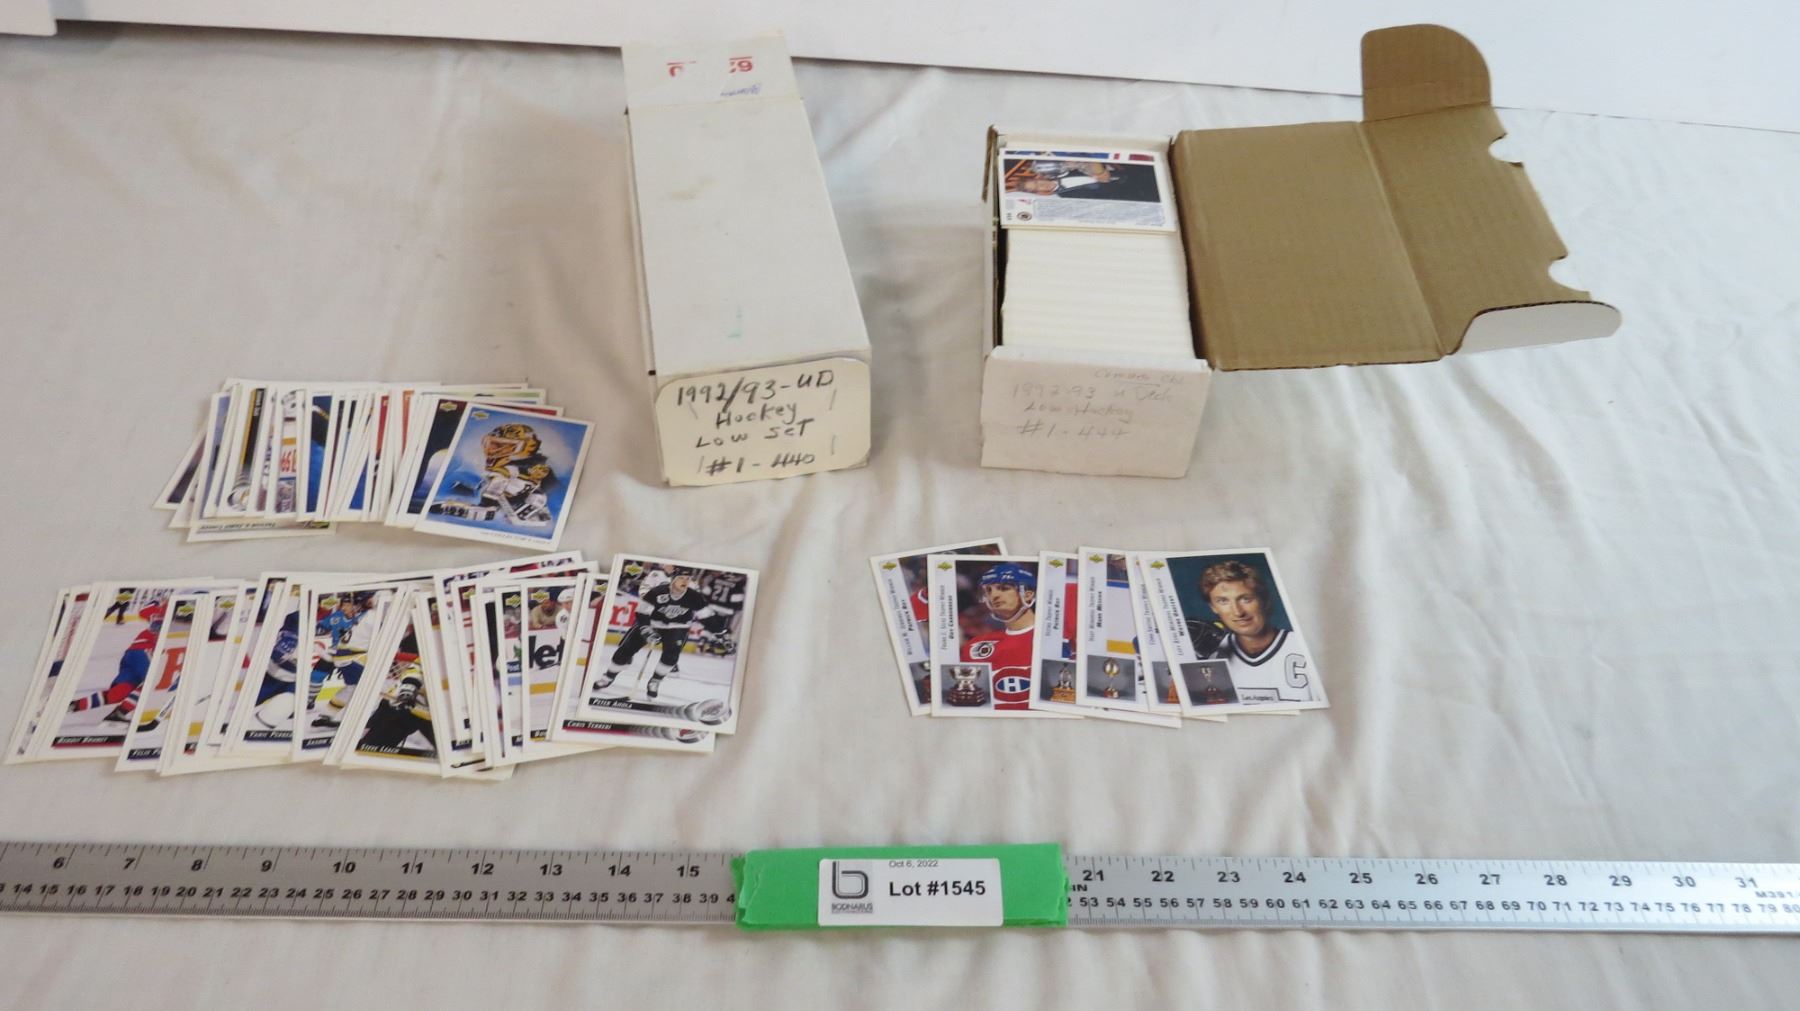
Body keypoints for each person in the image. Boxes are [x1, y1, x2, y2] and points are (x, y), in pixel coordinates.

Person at [1191, 560, 1316, 704]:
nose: (1237, 612)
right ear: (1213, 607)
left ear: (1264, 600)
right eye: (1223, 601)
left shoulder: (1303, 645)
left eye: (1246, 599)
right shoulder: (1211, 654)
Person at [591, 569, 719, 700]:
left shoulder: (694, 596)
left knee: (671, 655)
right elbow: (642, 612)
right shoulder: (657, 592)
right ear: (673, 580)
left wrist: (720, 632)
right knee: (625, 649)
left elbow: (706, 617)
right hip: (652, 623)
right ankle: (608, 677)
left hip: (678, 626)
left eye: (688, 579)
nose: (685, 581)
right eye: (681, 578)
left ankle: (655, 681)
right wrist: (646, 628)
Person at [428, 421, 556, 528]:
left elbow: (487, 512)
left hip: (523, 511)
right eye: (493, 444)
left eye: (502, 445)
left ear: (525, 448)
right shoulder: (532, 467)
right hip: (524, 507)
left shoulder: (507, 473)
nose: (492, 450)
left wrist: (446, 507)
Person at [69, 599, 165, 724]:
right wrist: (159, 606)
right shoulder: (167, 609)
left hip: (133, 654)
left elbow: (144, 613)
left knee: (119, 693)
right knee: (152, 684)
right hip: (144, 651)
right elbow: (144, 612)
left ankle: (75, 705)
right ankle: (120, 712)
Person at [959, 562, 1037, 707]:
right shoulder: (975, 647)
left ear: (1028, 594)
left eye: (1004, 588)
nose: (993, 595)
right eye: (989, 590)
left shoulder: (1057, 638)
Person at [1005, 159, 1161, 203]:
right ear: (1038, 192)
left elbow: (1092, 161)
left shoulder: (1065, 170)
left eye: (1037, 182)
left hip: (1135, 174)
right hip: (1134, 194)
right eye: (1037, 188)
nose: (1042, 185)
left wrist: (1100, 171)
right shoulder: (1065, 197)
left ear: (1039, 178)